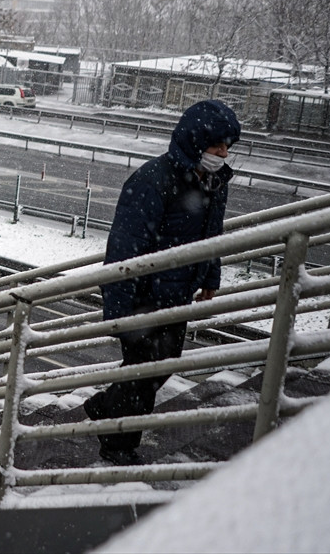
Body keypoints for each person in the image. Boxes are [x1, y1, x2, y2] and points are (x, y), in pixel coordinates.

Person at [84, 99, 241, 466]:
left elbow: (211, 235)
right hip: (143, 298)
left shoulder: (215, 181)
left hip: (179, 293)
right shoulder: (153, 180)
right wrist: (119, 313)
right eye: (216, 145)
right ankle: (118, 446)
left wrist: (210, 276)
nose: (222, 153)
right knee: (144, 373)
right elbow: (123, 250)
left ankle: (104, 405)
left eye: (227, 146)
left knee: (162, 365)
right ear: (193, 140)